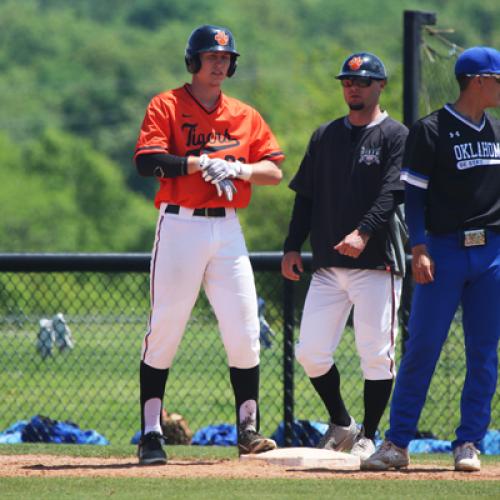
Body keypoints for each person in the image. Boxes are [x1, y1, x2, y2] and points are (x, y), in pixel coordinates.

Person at [133, 24, 284, 465]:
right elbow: (147, 161)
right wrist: (200, 163)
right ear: (193, 62)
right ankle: (151, 434)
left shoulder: (244, 114)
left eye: (225, 58)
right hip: (180, 225)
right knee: (165, 329)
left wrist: (238, 171)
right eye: (211, 56)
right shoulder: (167, 104)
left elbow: (273, 171)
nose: (219, 63)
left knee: (245, 330)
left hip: (228, 229)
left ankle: (248, 430)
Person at [363, 46, 500, 472]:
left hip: (491, 252)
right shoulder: (432, 129)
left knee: (484, 352)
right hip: (442, 251)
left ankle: (469, 443)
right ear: (478, 80)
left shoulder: (496, 129)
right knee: (423, 347)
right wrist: (419, 247)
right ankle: (397, 443)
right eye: (498, 77)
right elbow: (414, 196)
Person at [281, 52, 408, 464]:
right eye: (348, 81)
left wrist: (364, 230)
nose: (353, 86)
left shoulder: (395, 135)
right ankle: (342, 423)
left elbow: (392, 192)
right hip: (328, 264)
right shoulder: (325, 135)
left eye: (363, 81)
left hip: (377, 264)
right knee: (310, 352)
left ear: (380, 86)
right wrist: (291, 246)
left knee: (375, 353)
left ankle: (370, 435)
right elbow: (306, 196)